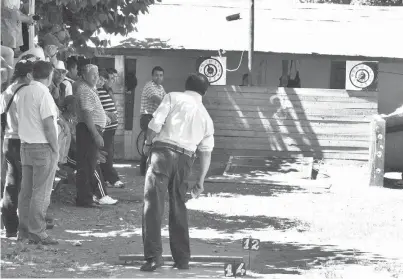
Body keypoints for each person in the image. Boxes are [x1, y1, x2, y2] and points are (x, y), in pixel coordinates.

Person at [140, 73, 215, 272]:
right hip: (186, 159)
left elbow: (155, 124)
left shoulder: (173, 96)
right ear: (204, 92)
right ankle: (182, 259)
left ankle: (154, 258)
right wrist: (201, 180)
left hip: (162, 153)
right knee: (178, 205)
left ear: (186, 85)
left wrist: (148, 145)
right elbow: (206, 153)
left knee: (153, 204)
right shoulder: (206, 116)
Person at [16, 61, 59, 245]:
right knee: (41, 192)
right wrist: (56, 148)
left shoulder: (23, 91)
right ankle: (38, 231)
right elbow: (49, 125)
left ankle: (24, 231)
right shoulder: (43, 93)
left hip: (25, 145)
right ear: (49, 76)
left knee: (26, 192)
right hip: (42, 146)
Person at [74, 64, 117, 207]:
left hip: (92, 129)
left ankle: (87, 196)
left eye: (97, 74)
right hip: (88, 130)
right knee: (87, 166)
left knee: (90, 164)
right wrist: (95, 134)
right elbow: (86, 114)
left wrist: (104, 116)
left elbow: (92, 111)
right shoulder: (84, 89)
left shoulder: (90, 89)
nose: (96, 77)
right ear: (84, 75)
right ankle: (85, 199)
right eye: (93, 74)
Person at [0, 57, 34, 238]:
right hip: (23, 140)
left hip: (8, 140)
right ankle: (25, 226)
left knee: (11, 183)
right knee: (26, 185)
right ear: (28, 74)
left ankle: (10, 226)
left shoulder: (7, 92)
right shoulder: (27, 92)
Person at [97, 69, 124, 188]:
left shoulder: (107, 91)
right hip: (105, 127)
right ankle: (113, 178)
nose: (112, 81)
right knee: (107, 153)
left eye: (114, 78)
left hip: (111, 127)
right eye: (111, 78)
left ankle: (105, 178)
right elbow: (96, 108)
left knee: (108, 152)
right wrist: (107, 113)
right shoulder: (97, 90)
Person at [139, 66, 166, 176]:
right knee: (149, 143)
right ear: (152, 76)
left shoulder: (160, 87)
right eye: (156, 75)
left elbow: (166, 99)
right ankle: (145, 170)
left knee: (152, 143)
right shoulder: (150, 86)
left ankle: (148, 169)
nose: (158, 77)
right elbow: (160, 101)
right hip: (148, 117)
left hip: (154, 118)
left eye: (161, 75)